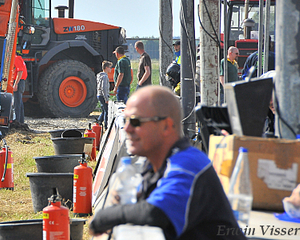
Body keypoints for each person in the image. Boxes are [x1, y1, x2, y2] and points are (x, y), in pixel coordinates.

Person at [89, 86, 245, 240]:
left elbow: (155, 213)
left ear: (166, 126)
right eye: (126, 120)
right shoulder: (152, 166)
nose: (127, 128)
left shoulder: (188, 163)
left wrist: (105, 217)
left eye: (136, 121)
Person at [11, 50, 27, 128]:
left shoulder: (16, 59)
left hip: (19, 82)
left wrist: (15, 84)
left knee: (17, 104)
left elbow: (20, 71)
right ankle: (21, 121)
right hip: (21, 81)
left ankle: (17, 122)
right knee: (19, 103)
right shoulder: (19, 58)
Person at [96, 61, 112, 126]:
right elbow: (104, 88)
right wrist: (106, 98)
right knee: (106, 111)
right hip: (103, 95)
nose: (111, 69)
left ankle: (98, 122)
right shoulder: (105, 77)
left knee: (103, 110)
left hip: (99, 94)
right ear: (106, 68)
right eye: (110, 67)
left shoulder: (99, 75)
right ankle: (106, 125)